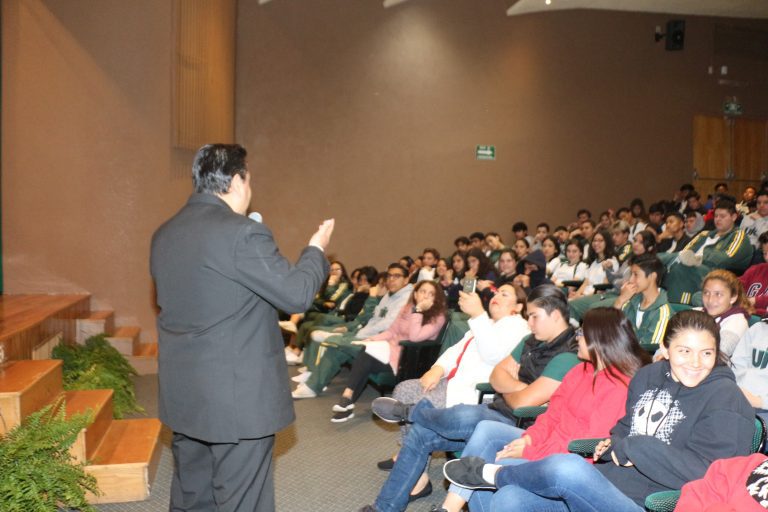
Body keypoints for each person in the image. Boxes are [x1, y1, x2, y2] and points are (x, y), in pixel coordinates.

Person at [150, 144, 333, 512]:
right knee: (241, 502)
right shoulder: (242, 234)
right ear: (236, 181)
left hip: (185, 394)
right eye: (249, 180)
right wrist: (316, 251)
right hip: (236, 401)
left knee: (192, 498)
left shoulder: (164, 234)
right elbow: (296, 295)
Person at [444, 310, 756, 512]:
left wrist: (635, 446)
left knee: (566, 467)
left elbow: (709, 475)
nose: (695, 362)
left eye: (707, 353)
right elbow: (624, 425)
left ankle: (495, 473)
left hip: (651, 502)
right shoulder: (648, 376)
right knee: (509, 501)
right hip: (610, 482)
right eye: (684, 351)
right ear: (665, 349)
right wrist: (620, 440)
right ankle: (498, 479)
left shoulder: (726, 400)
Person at [358, 285, 579, 512]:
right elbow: (496, 377)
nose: (529, 322)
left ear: (554, 314)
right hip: (499, 410)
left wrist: (512, 390)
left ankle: (412, 412)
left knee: (464, 414)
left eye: (534, 316)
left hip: (522, 427)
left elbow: (523, 405)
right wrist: (521, 389)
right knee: (421, 433)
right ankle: (384, 508)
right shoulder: (532, 340)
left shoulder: (568, 355)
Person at [436, 308, 650, 512]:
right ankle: (450, 507)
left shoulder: (619, 386)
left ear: (599, 338)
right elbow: (551, 414)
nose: (577, 337)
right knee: (486, 430)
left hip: (571, 463)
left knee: (494, 466)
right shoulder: (580, 370)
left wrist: (530, 451)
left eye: (581, 332)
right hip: (550, 444)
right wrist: (530, 439)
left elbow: (582, 450)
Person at [375, 284, 530, 471]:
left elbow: (493, 355)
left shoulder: (519, 328)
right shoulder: (487, 323)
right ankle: (410, 454)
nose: (497, 296)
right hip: (454, 383)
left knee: (417, 401)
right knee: (404, 389)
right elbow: (455, 350)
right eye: (497, 292)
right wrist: (438, 369)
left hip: (478, 394)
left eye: (504, 294)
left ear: (519, 306)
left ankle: (414, 466)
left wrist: (478, 314)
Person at [330, 280, 447, 423]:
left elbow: (415, 337)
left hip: (407, 359)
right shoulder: (407, 307)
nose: (426, 296)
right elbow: (392, 331)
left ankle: (346, 402)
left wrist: (417, 311)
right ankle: (347, 400)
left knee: (365, 359)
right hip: (389, 350)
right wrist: (372, 339)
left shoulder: (438, 316)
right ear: (415, 294)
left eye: (431, 294)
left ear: (437, 298)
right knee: (366, 353)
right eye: (422, 292)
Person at [293, 263, 414, 398]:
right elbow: (374, 318)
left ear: (406, 279)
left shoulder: (407, 298)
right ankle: (312, 385)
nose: (391, 279)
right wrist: (362, 333)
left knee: (336, 343)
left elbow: (387, 325)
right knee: (335, 348)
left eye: (396, 276)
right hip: (369, 336)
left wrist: (363, 335)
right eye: (389, 276)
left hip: (383, 344)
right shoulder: (389, 295)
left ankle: (330, 340)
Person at [662, 199, 753, 304]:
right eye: (716, 216)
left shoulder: (738, 235)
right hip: (693, 268)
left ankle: (679, 306)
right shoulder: (704, 234)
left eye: (722, 216)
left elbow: (725, 258)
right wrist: (688, 258)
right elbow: (685, 253)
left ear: (733, 217)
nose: (718, 219)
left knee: (680, 268)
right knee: (669, 262)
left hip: (718, 273)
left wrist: (699, 257)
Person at [613, 254, 671, 346]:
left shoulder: (663, 312)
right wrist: (620, 300)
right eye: (631, 274)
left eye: (636, 275)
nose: (631, 280)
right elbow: (609, 332)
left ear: (652, 276)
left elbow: (649, 349)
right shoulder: (629, 301)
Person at [696, 269, 752, 357]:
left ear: (733, 298)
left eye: (718, 294)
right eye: (706, 293)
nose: (710, 300)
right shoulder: (696, 312)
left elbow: (718, 356)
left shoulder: (738, 322)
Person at [740, 232, 768, 316]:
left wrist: (754, 301)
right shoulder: (756, 269)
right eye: (765, 253)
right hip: (741, 313)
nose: (767, 258)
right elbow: (736, 285)